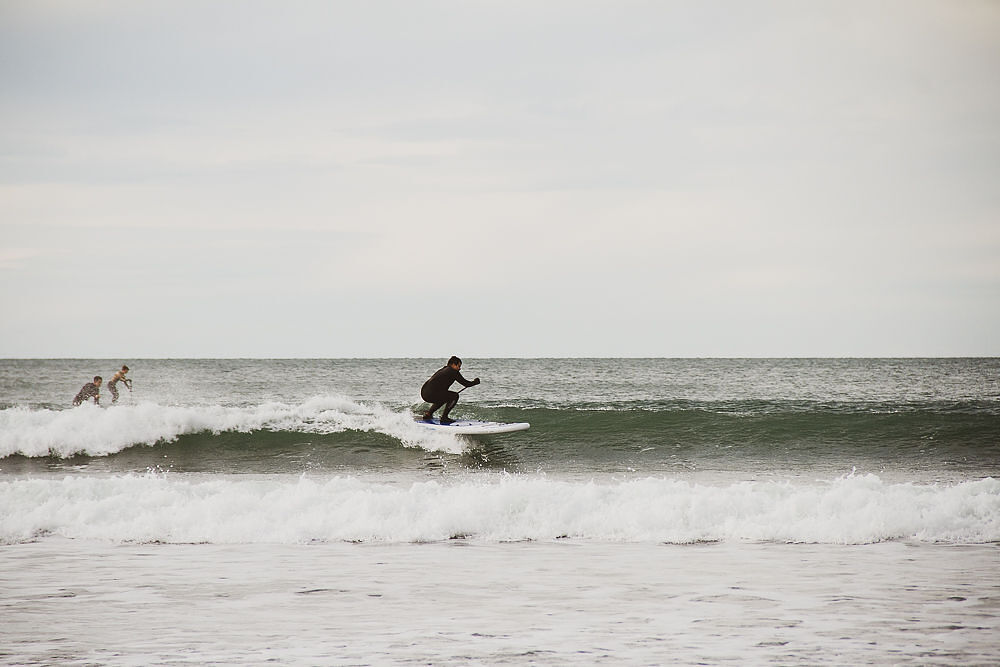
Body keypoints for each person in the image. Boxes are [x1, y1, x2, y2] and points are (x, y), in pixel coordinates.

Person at [420, 356, 480, 424]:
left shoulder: (444, 369)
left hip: (424, 393)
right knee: (455, 396)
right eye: (459, 366)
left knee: (444, 397)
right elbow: (466, 384)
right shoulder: (453, 371)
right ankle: (444, 417)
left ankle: (428, 414)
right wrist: (475, 382)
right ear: (453, 365)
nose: (459, 368)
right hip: (431, 393)